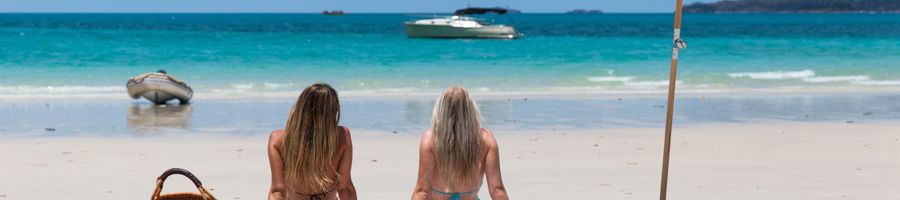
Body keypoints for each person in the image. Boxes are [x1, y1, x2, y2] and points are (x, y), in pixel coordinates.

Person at [412, 86, 508, 200]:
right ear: (470, 110)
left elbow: (422, 191)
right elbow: (496, 190)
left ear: (441, 111)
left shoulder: (430, 140)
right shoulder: (486, 140)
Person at [268, 83, 357, 200]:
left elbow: (278, 191)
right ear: (332, 111)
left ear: (301, 107)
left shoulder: (278, 140)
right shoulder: (342, 136)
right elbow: (345, 188)